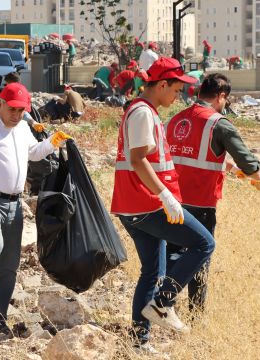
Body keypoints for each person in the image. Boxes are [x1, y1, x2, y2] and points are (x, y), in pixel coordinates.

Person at [110, 57, 216, 353]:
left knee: (151, 272)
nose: (178, 96)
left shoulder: (144, 110)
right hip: (147, 204)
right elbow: (138, 159)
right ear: (161, 84)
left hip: (134, 205)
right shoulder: (143, 112)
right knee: (204, 244)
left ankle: (138, 343)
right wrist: (165, 196)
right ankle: (163, 303)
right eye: (176, 89)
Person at [0, 83, 71, 338]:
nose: (17, 115)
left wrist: (52, 142)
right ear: (0, 104)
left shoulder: (21, 128)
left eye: (21, 111)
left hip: (14, 203)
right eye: (13, 110)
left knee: (9, 265)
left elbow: (33, 153)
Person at [164, 73, 260, 315]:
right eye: (225, 100)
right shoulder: (218, 123)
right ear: (221, 96)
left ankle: (163, 304)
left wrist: (231, 169)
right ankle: (193, 314)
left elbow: (195, 157)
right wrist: (259, 178)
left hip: (171, 201)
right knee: (200, 256)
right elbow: (250, 164)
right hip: (200, 203)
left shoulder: (175, 119)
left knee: (172, 255)